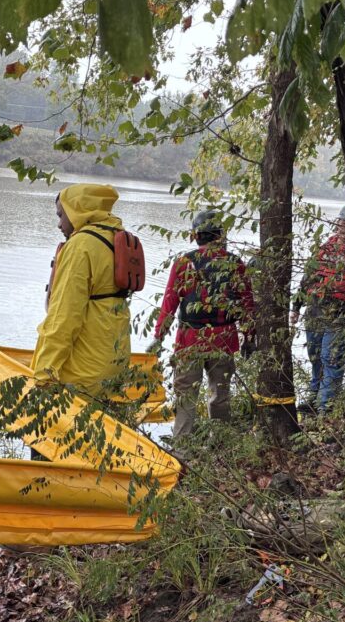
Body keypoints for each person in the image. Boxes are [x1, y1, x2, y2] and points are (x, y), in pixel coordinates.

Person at [153, 209, 254, 439]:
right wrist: (250, 336)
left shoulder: (184, 263)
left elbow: (169, 302)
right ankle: (221, 445)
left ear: (196, 235)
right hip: (224, 338)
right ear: (220, 235)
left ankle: (182, 450)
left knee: (186, 398)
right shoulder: (235, 264)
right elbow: (247, 305)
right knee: (220, 396)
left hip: (190, 340)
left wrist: (158, 337)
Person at [32, 184, 132, 397]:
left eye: (61, 215)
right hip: (116, 361)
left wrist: (44, 374)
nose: (59, 224)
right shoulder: (115, 237)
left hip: (84, 369)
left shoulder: (81, 246)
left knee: (68, 429)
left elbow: (64, 317)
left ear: (78, 210)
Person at [292, 203, 345, 413]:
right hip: (315, 310)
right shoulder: (326, 247)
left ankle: (326, 409)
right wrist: (296, 307)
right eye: (342, 222)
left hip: (341, 313)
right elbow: (308, 277)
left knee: (331, 358)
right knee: (315, 356)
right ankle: (314, 399)